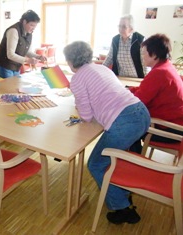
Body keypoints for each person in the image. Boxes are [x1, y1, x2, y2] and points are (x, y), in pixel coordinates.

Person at [63, 41, 150, 224]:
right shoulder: (103, 69)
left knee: (95, 163)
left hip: (124, 122)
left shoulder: (77, 79)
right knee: (113, 157)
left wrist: (79, 104)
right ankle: (121, 191)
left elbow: (86, 116)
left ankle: (122, 208)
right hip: (141, 113)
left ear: (70, 61)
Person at [129, 34, 183, 152]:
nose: (142, 56)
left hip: (170, 128)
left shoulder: (159, 73)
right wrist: (130, 90)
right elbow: (146, 90)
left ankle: (134, 159)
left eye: (144, 53)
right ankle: (134, 155)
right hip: (177, 122)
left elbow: (136, 102)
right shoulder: (166, 67)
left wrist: (125, 94)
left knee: (128, 125)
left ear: (154, 54)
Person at [0, 10, 45, 78]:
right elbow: (10, 55)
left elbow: (27, 52)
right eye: (31, 25)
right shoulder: (13, 31)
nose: (33, 28)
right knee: (9, 87)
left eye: (35, 26)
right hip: (5, 64)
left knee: (16, 86)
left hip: (16, 65)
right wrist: (28, 60)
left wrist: (38, 57)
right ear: (24, 22)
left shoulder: (29, 33)